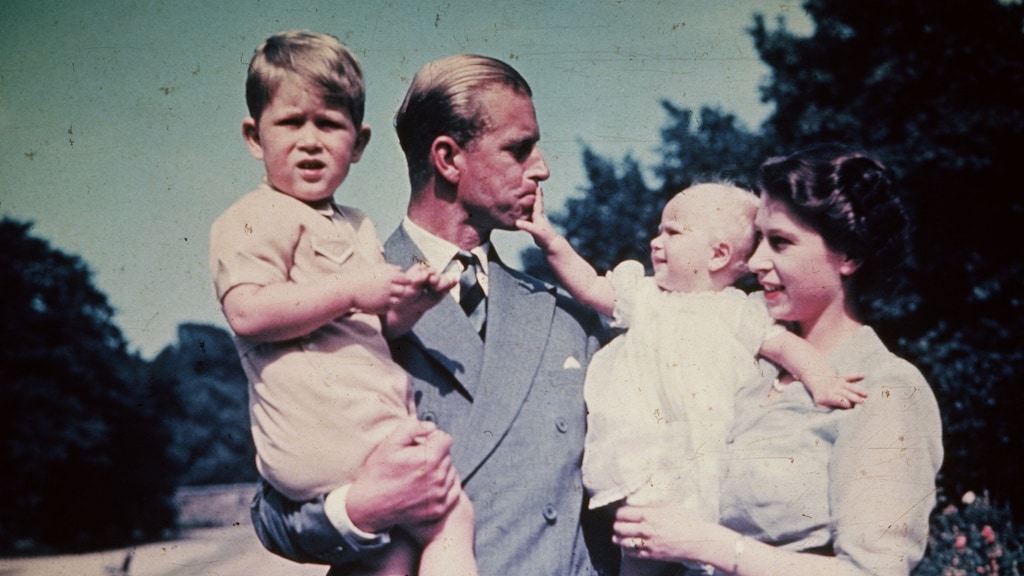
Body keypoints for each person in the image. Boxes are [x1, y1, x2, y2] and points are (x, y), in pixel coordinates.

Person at [250, 53, 615, 576]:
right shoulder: (336, 301)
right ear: (447, 158)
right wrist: (361, 510)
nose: (542, 168)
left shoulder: (567, 319)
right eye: (519, 149)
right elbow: (273, 512)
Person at [209, 31, 476, 576]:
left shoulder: (356, 225)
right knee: (452, 516)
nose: (310, 141)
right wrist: (353, 289)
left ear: (358, 143)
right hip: (324, 432)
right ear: (254, 137)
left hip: (362, 428)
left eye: (329, 125)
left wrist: (412, 304)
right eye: (291, 123)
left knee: (394, 552)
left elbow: (378, 327)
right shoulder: (251, 218)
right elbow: (247, 313)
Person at [611, 145, 944, 575]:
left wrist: (710, 545)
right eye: (759, 239)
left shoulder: (887, 388)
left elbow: (873, 571)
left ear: (849, 255)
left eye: (781, 243)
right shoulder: (744, 361)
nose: (755, 261)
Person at [519, 183, 866, 576]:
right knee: (640, 545)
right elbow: (589, 286)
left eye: (672, 232)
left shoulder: (738, 312)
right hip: (639, 455)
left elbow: (788, 348)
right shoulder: (646, 297)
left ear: (718, 255)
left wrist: (822, 380)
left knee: (692, 545)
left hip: (700, 456)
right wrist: (551, 242)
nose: (655, 242)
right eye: (659, 231)